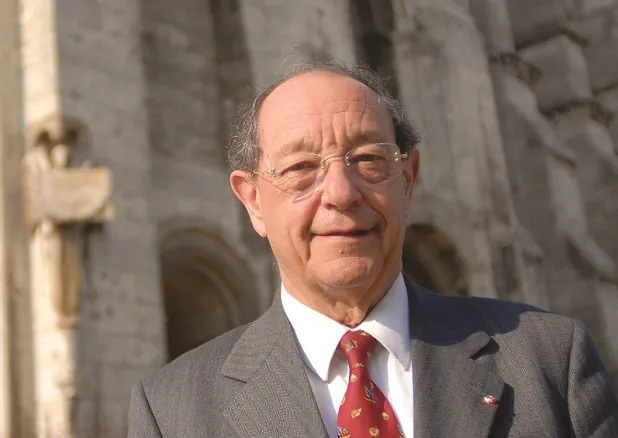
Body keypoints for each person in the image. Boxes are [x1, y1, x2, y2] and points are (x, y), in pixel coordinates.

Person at [128, 62, 618, 437]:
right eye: (301, 168)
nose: (341, 194)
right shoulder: (172, 410)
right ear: (254, 201)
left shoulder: (549, 358)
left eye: (367, 159)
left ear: (407, 179)